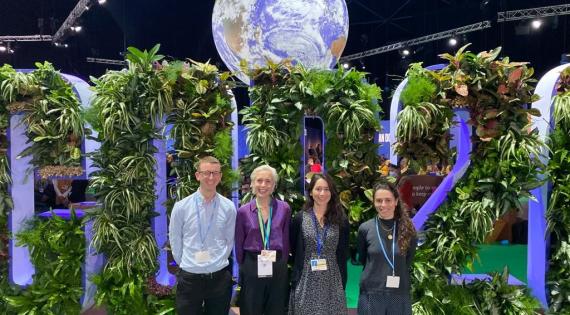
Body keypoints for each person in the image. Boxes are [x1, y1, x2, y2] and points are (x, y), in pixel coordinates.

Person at [169, 156, 237, 315]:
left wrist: (216, 261)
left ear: (220, 176)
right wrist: (188, 263)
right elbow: (175, 239)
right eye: (206, 173)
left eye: (215, 173)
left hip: (218, 277)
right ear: (198, 175)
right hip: (190, 278)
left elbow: (229, 240)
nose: (211, 177)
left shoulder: (228, 207)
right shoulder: (181, 207)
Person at [289, 173, 349, 315]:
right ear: (311, 192)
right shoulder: (300, 218)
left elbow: (343, 252)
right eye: (318, 189)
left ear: (332, 192)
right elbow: (294, 248)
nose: (322, 193)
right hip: (305, 280)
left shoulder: (341, 220)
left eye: (327, 189)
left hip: (332, 281)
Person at [235, 165, 291, 315]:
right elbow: (239, 242)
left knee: (276, 307)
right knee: (251, 306)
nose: (263, 185)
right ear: (252, 184)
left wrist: (282, 261)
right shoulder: (243, 211)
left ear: (274, 185)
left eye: (268, 181)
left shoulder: (284, 208)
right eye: (259, 181)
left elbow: (286, 239)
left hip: (277, 263)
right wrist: (244, 265)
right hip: (252, 264)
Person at [357, 182, 417, 315]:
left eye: (388, 200)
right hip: (371, 293)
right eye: (379, 201)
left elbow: (408, 260)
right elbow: (363, 259)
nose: (383, 205)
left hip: (399, 293)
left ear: (396, 201)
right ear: (373, 202)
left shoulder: (408, 230)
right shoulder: (365, 229)